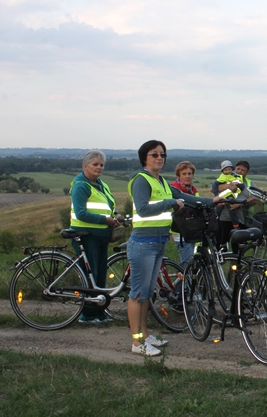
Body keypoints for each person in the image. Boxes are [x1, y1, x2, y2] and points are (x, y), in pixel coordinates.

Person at [127, 140, 220, 356]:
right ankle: (137, 341)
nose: (159, 158)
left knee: (147, 293)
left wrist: (211, 201)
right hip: (143, 243)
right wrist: (170, 203)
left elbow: (184, 197)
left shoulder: (159, 181)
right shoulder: (140, 180)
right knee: (138, 293)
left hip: (158, 241)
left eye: (162, 154)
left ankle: (145, 334)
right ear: (144, 158)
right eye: (154, 155)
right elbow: (142, 209)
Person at [69, 150, 121, 324]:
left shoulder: (101, 184)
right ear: (85, 166)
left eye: (101, 165)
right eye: (95, 164)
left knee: (99, 276)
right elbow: (81, 213)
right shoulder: (80, 185)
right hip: (86, 235)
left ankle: (99, 312)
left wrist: (116, 215)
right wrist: (105, 220)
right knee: (90, 276)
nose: (99, 167)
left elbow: (109, 207)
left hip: (101, 236)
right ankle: (88, 315)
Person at [170, 161, 199, 268]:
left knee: (192, 261)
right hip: (180, 229)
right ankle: (182, 284)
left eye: (189, 173)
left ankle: (190, 283)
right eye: (184, 174)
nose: (187, 176)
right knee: (186, 263)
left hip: (192, 228)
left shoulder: (193, 190)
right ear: (178, 175)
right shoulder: (174, 189)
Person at [211, 160, 245, 248]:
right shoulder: (222, 178)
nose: (228, 171)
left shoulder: (236, 177)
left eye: (229, 169)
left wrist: (238, 186)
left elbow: (241, 186)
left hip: (233, 203)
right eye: (226, 170)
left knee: (232, 208)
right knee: (219, 208)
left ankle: (235, 223)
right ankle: (214, 220)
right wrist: (217, 194)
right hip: (223, 208)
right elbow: (214, 187)